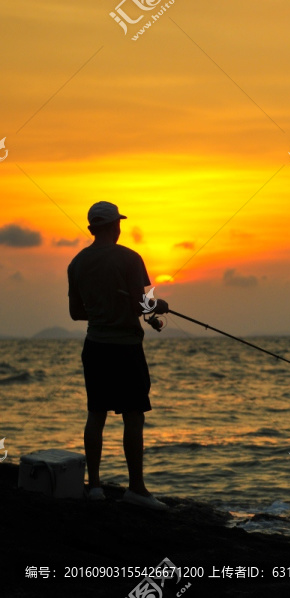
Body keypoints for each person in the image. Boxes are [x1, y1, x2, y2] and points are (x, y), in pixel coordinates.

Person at [67, 201, 169, 510]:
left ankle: (95, 487)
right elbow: (144, 304)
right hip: (125, 348)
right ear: (115, 226)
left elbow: (75, 313)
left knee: (95, 414)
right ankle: (135, 488)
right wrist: (158, 304)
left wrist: (103, 312)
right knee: (133, 416)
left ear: (91, 229)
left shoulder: (77, 263)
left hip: (95, 346)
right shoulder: (130, 258)